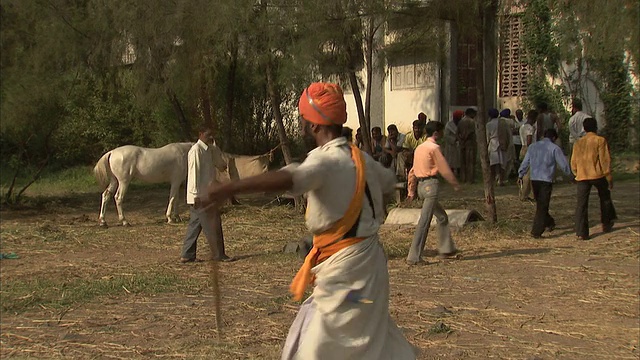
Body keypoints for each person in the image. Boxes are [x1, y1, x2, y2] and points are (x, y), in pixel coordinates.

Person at [198, 82, 416, 360]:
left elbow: (290, 178)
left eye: (302, 119)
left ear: (313, 125)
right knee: (366, 335)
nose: (300, 125)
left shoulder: (327, 162)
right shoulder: (361, 159)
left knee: (321, 347)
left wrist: (227, 188)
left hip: (346, 278)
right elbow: (387, 184)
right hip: (368, 275)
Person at [406, 121, 461, 265]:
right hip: (431, 185)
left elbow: (412, 171)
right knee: (424, 222)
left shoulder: (419, 148)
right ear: (436, 133)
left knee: (442, 217)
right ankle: (414, 256)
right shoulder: (434, 148)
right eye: (441, 132)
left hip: (421, 186)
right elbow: (444, 168)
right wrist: (455, 183)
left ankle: (446, 249)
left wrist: (411, 190)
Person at [180, 126, 232, 263]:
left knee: (194, 225)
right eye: (208, 135)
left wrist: (216, 147)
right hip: (200, 196)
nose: (210, 137)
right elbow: (193, 174)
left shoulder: (210, 150)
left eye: (212, 135)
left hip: (206, 194)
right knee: (213, 224)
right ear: (200, 134)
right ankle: (218, 254)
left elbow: (221, 165)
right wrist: (195, 195)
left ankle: (187, 254)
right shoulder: (196, 151)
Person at [518, 129, 573, 239]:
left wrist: (521, 174)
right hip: (546, 180)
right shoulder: (554, 148)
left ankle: (549, 222)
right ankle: (536, 231)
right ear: (554, 138)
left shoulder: (533, 147)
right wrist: (571, 175)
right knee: (542, 205)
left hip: (535, 179)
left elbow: (526, 162)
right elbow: (564, 164)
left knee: (541, 204)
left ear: (543, 135)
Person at [571, 117, 617, 240]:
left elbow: (573, 162)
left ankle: (581, 232)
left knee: (581, 204)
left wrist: (576, 173)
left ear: (584, 129)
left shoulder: (578, 142)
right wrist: (609, 176)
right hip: (597, 174)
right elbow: (604, 160)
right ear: (595, 127)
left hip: (582, 176)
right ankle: (606, 222)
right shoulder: (600, 141)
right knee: (605, 197)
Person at [518, 110, 538, 201]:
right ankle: (526, 194)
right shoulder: (530, 128)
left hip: (523, 147)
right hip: (529, 149)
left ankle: (526, 193)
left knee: (526, 171)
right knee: (529, 174)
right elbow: (529, 140)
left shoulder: (522, 126)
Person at [486, 108, 507, 186]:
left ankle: (492, 180)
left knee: (493, 164)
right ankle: (501, 180)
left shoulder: (489, 124)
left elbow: (487, 137)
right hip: (502, 143)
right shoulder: (502, 122)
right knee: (502, 164)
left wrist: (487, 144)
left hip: (492, 144)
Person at [457, 107, 477, 183]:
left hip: (462, 144)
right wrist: (465, 139)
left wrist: (461, 140)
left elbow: (457, 133)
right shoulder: (471, 121)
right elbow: (470, 132)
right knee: (470, 162)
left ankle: (463, 178)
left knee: (463, 162)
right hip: (470, 144)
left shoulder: (461, 121)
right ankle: (470, 179)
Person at [444, 110, 463, 177]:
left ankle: (459, 174)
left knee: (459, 161)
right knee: (451, 161)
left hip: (459, 145)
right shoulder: (449, 125)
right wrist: (454, 139)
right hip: (451, 145)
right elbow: (446, 135)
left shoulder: (461, 124)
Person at [499, 109, 516, 180]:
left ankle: (499, 177)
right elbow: (514, 126)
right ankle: (505, 177)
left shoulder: (498, 121)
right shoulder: (510, 121)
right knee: (509, 160)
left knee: (501, 161)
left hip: (499, 143)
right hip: (509, 143)